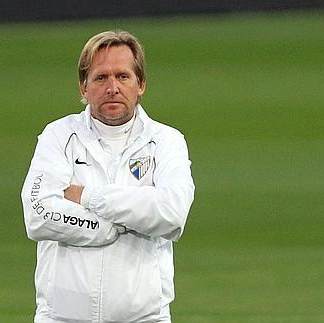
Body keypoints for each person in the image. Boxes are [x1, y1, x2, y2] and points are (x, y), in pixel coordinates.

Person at [20, 30, 195, 323]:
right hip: (61, 317)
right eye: (101, 78)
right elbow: (37, 214)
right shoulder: (58, 136)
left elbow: (171, 213)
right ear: (83, 87)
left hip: (144, 318)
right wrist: (106, 228)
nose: (112, 87)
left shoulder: (166, 141)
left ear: (141, 84)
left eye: (123, 76)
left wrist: (87, 196)